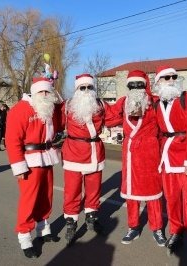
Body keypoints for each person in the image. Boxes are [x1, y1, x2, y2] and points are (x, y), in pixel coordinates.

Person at [153, 65, 187, 262]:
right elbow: (158, 133)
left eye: (173, 77)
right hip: (168, 158)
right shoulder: (157, 104)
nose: (170, 80)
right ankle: (176, 232)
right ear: (158, 81)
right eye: (165, 77)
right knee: (172, 199)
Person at [60, 74, 121, 244]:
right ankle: (71, 223)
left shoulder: (100, 104)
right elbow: (54, 122)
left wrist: (128, 107)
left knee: (94, 190)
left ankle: (91, 218)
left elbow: (114, 117)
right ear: (77, 89)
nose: (86, 90)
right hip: (73, 152)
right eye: (82, 87)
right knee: (72, 191)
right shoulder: (67, 106)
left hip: (95, 152)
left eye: (90, 87)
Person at [5, 77, 62, 259]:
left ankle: (43, 228)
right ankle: (24, 235)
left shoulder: (48, 108)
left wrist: (55, 88)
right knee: (29, 199)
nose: (45, 95)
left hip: (46, 157)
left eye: (47, 91)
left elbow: (62, 116)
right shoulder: (20, 110)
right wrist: (19, 166)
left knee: (46, 196)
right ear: (34, 92)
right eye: (41, 91)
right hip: (29, 161)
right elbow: (12, 140)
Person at [109, 70, 165, 246]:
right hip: (131, 153)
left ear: (145, 85)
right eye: (131, 85)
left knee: (153, 192)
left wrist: (163, 151)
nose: (135, 88)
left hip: (150, 152)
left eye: (139, 84)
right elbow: (108, 118)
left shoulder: (154, 102)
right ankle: (133, 227)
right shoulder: (123, 102)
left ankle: (157, 228)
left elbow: (164, 128)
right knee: (131, 193)